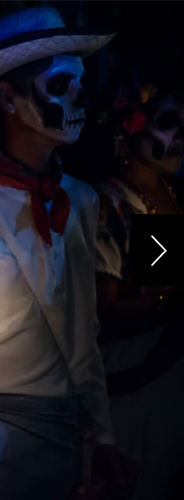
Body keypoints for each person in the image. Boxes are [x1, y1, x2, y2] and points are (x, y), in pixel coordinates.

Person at [0, 7, 134, 500]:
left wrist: (102, 434)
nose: (82, 98)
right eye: (61, 84)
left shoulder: (81, 200)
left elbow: (84, 333)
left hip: (68, 426)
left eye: (82, 83)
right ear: (8, 98)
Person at [92, 48, 184, 499]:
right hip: (129, 387)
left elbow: (162, 278)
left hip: (166, 382)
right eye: (169, 123)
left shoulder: (164, 192)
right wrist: (171, 307)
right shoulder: (114, 202)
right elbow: (106, 312)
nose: (182, 137)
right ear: (131, 123)